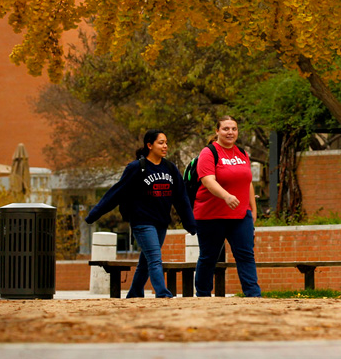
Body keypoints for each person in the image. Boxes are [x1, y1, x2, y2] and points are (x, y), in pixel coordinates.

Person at [85, 129, 197, 298]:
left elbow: (181, 198)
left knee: (146, 261)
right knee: (154, 257)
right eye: (161, 143)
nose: (165, 146)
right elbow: (117, 192)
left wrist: (190, 223)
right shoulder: (137, 167)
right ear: (149, 145)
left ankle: (135, 292)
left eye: (166, 142)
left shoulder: (170, 168)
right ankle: (162, 293)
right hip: (142, 222)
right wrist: (94, 214)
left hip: (161, 222)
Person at [193, 115, 261, 297]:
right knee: (209, 257)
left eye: (234, 129)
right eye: (226, 129)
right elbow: (207, 181)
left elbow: (248, 181)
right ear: (217, 131)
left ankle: (253, 294)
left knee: (246, 254)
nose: (230, 132)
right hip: (211, 215)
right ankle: (203, 295)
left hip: (240, 215)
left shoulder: (242, 153)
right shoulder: (208, 153)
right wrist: (226, 196)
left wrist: (252, 209)